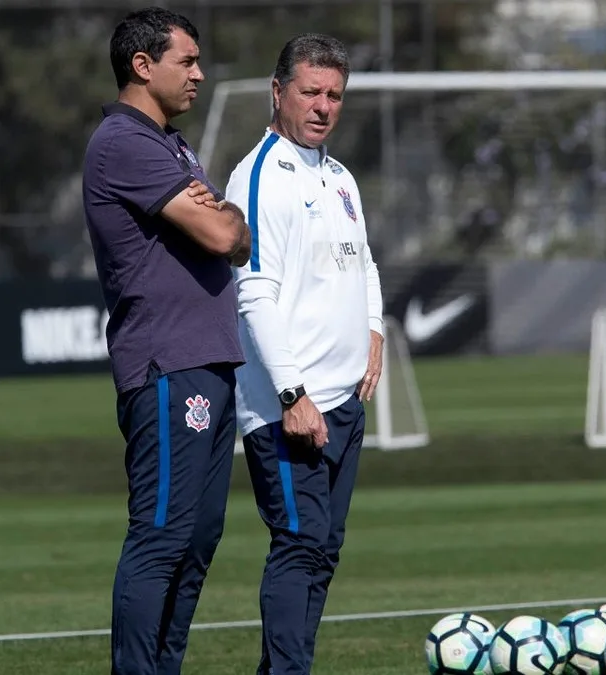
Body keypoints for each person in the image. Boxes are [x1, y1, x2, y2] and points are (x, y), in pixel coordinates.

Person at [81, 7, 251, 675]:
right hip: (167, 364)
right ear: (142, 65)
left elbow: (234, 232)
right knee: (161, 536)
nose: (201, 74)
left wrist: (225, 216)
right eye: (187, 60)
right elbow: (222, 234)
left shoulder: (171, 144)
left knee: (198, 537)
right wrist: (225, 216)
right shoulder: (125, 142)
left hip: (207, 361)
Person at [223, 33, 384, 675]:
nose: (323, 107)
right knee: (297, 543)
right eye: (310, 92)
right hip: (291, 408)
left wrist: (372, 328)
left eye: (334, 95)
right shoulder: (260, 176)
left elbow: (362, 261)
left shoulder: (339, 175)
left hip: (344, 401)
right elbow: (253, 294)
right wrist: (292, 394)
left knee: (324, 549)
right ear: (278, 91)